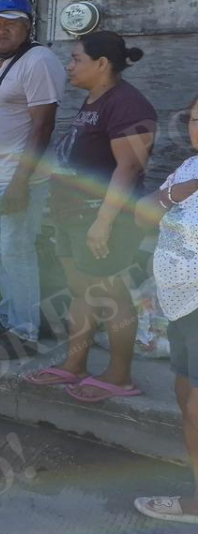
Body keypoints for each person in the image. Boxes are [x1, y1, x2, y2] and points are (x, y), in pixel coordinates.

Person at [24, 32, 156, 402]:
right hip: (71, 217)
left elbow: (129, 168)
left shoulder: (129, 104)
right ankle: (74, 365)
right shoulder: (93, 101)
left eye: (76, 58)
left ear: (102, 64)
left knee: (111, 294)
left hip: (104, 220)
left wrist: (103, 222)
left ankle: (119, 376)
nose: (69, 65)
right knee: (83, 291)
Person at [0, 0, 67, 356]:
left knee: (17, 251)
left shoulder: (38, 61)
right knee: (0, 250)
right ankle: (9, 316)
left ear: (27, 26)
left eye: (10, 23)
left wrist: (20, 184)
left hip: (21, 179)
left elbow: (42, 127)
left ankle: (24, 332)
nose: (1, 30)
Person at [132, 95, 198, 525]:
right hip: (181, 308)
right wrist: (177, 192)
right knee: (183, 396)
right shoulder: (191, 168)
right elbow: (141, 213)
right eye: (195, 118)